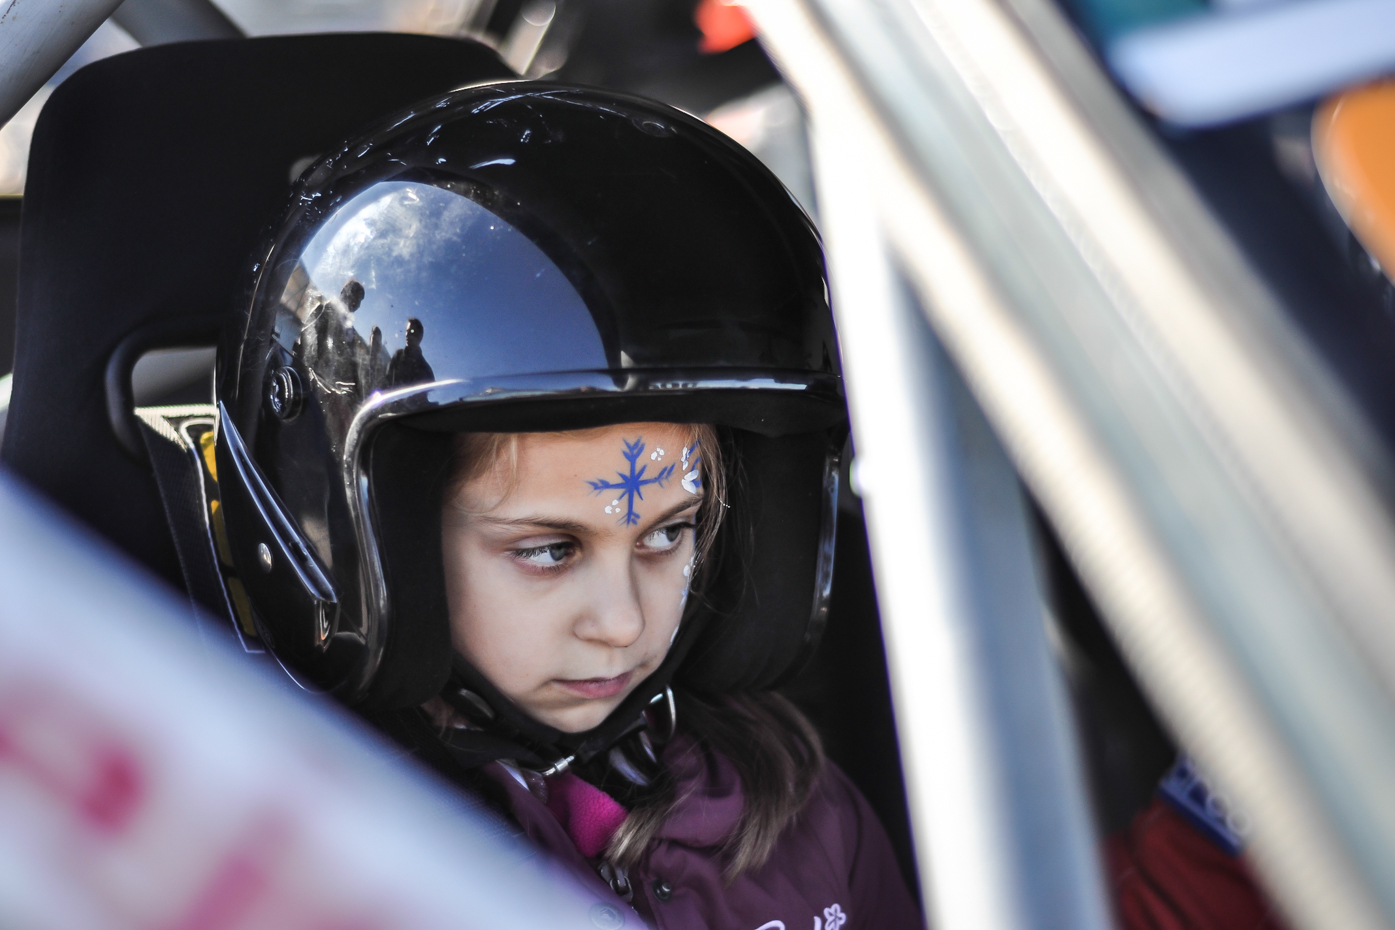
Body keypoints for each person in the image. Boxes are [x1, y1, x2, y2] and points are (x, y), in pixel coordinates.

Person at [209, 82, 921, 930]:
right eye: (549, 550)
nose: (623, 624)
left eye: (668, 534)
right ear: (381, 548)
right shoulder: (339, 869)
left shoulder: (796, 811)